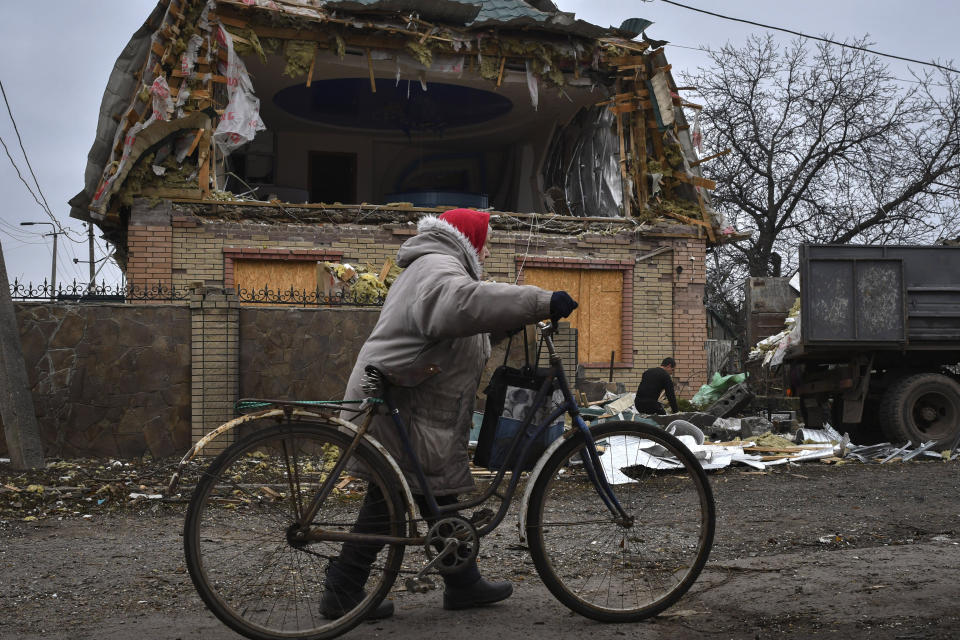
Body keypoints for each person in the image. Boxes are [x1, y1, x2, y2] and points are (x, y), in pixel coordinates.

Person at [321, 208, 578, 620]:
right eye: (486, 241)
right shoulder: (439, 265)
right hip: (401, 403)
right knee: (388, 501)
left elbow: (447, 329)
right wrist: (539, 301)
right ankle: (343, 590)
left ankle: (463, 582)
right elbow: (457, 305)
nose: (488, 250)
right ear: (468, 238)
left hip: (408, 399)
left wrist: (502, 326)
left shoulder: (435, 265)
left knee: (436, 496)